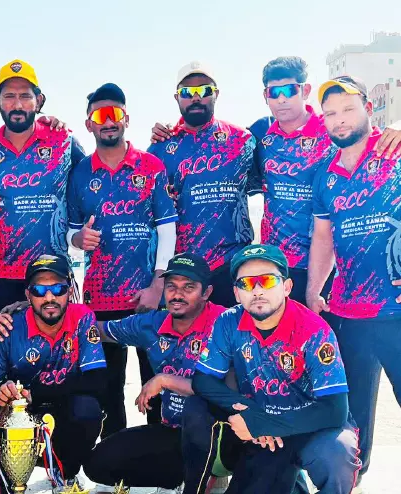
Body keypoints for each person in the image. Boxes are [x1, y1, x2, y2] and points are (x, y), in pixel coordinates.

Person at [183, 244, 359, 494]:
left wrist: (265, 424)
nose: (257, 290)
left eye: (267, 280)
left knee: (337, 453)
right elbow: (203, 380)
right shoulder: (228, 322)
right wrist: (250, 412)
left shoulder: (314, 331)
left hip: (310, 425)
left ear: (286, 287)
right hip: (261, 426)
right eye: (246, 283)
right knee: (196, 406)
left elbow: (335, 411)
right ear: (236, 293)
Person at [67, 82, 177, 436]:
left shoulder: (151, 165)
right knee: (108, 391)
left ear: (126, 118)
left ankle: (161, 456)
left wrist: (158, 285)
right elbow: (70, 232)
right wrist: (78, 239)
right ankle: (113, 458)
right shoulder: (80, 173)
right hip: (100, 299)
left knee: (156, 384)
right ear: (89, 124)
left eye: (114, 113)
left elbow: (168, 229)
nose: (108, 121)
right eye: (100, 116)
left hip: (148, 298)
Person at [245, 57, 401, 307]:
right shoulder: (260, 133)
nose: (282, 99)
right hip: (278, 265)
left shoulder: (331, 127)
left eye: (290, 90)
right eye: (274, 92)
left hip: (331, 267)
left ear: (305, 90)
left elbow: (369, 135)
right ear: (266, 96)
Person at [308, 75, 401, 486]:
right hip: (349, 314)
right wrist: (313, 290)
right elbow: (323, 237)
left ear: (368, 107)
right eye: (330, 114)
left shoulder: (395, 151)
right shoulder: (325, 175)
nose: (340, 120)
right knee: (354, 420)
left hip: (395, 311)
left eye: (348, 109)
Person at [78, 253, 226, 492]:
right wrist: (36, 313)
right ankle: (180, 479)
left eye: (188, 287)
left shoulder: (226, 322)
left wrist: (165, 380)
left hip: (222, 433)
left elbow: (226, 388)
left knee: (197, 409)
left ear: (206, 292)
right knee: (99, 463)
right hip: (174, 431)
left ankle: (213, 474)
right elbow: (97, 330)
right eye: (171, 286)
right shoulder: (152, 323)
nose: (177, 295)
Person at [0, 254, 106, 493]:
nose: (49, 298)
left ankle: (67, 473)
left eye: (58, 288)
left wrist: (35, 393)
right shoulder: (8, 326)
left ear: (69, 291)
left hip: (62, 413)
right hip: (19, 422)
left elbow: (97, 381)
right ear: (28, 295)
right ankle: (2, 467)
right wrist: (0, 393)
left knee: (88, 410)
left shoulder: (82, 317)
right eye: (39, 290)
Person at [0, 59, 85, 321]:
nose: (18, 104)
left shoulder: (64, 142)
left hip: (55, 276)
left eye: (25, 96)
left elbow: (93, 185)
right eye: (9, 96)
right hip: (2, 276)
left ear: (39, 101)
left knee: (66, 348)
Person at [146, 61, 256, 308]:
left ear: (216, 94)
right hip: (182, 271)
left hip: (232, 266)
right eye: (187, 92)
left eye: (204, 90)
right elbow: (147, 212)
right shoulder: (160, 148)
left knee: (235, 333)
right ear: (177, 97)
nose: (196, 97)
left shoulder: (243, 140)